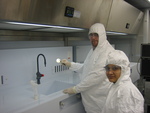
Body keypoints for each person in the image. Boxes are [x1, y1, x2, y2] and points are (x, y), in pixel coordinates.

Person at [61, 23, 115, 113]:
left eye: (96, 35)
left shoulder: (107, 52)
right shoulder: (94, 50)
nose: (93, 38)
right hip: (92, 100)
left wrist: (76, 89)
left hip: (99, 101)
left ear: (102, 36)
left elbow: (96, 75)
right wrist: (70, 64)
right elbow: (86, 68)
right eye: (91, 35)